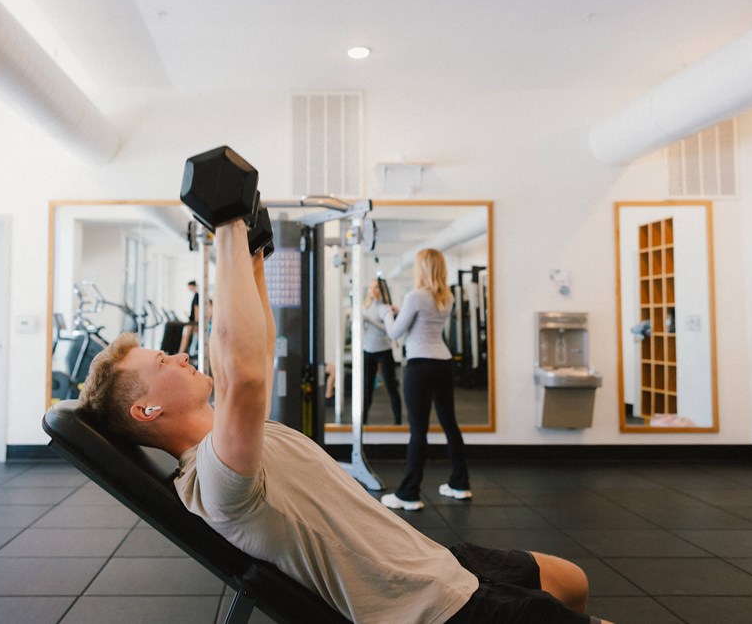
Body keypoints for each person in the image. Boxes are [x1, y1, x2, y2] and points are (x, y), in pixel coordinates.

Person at [78, 221, 611, 624]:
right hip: (430, 609)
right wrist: (225, 227)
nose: (177, 355)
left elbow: (254, 354)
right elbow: (242, 373)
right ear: (146, 410)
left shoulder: (232, 437)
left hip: (431, 561)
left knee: (571, 581)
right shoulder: (213, 480)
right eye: (161, 363)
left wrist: (255, 258)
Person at [377, 248, 470, 511]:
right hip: (443, 362)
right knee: (450, 424)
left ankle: (409, 494)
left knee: (418, 430)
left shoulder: (415, 296)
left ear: (423, 269)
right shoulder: (447, 298)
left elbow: (396, 331)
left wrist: (386, 313)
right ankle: (460, 484)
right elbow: (424, 322)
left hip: (420, 365)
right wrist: (400, 309)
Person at [362, 278, 403, 424]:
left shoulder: (385, 309)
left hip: (384, 351)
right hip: (368, 351)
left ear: (382, 290)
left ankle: (398, 422)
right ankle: (362, 422)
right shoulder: (365, 308)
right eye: (371, 287)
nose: (373, 290)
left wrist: (369, 320)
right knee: (366, 390)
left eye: (377, 288)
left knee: (391, 387)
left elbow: (389, 330)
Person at [177, 279, 199, 354]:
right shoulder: (195, 295)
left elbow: (197, 310)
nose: (188, 288)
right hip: (192, 319)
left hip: (193, 321)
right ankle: (182, 353)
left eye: (189, 287)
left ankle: (180, 353)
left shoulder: (197, 295)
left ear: (192, 286)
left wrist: (196, 323)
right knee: (186, 336)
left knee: (186, 336)